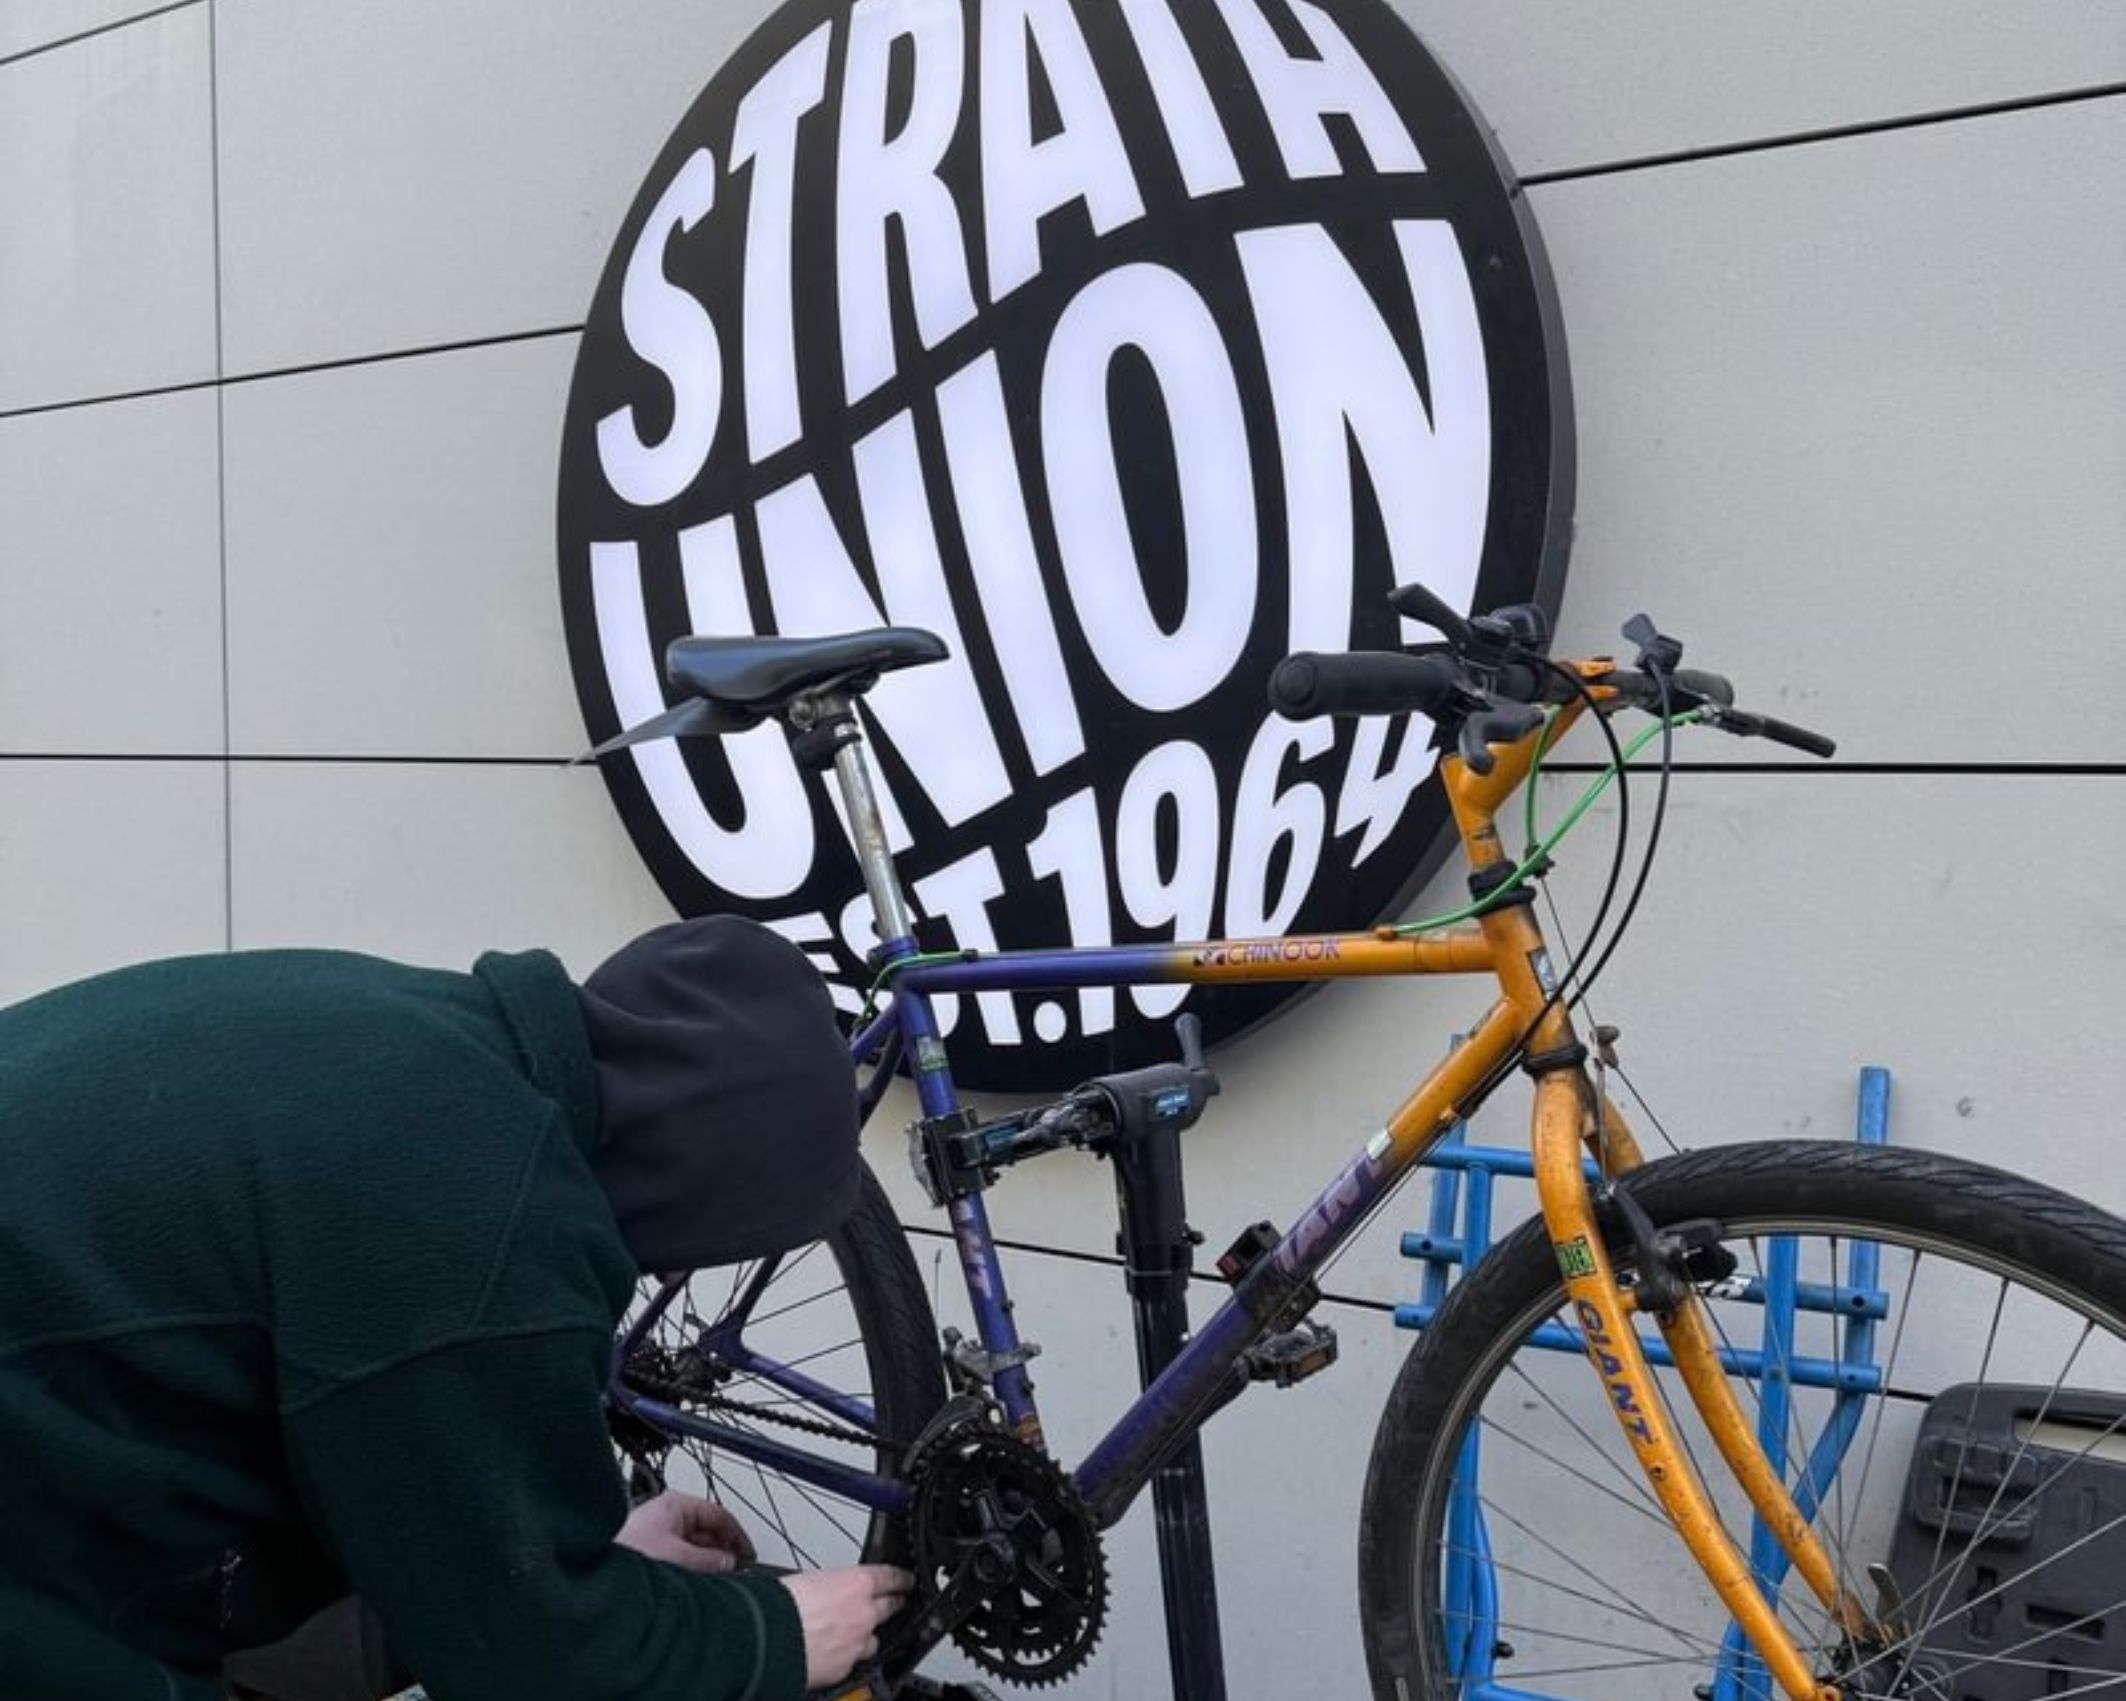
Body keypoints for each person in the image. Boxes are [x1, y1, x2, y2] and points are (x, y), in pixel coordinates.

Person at [0, 915, 913, 1701]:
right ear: (712, 1188)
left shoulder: (442, 1052)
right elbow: (536, 1666)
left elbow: (407, 1500)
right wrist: (775, 1634)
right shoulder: (476, 1220)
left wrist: (570, 1561)